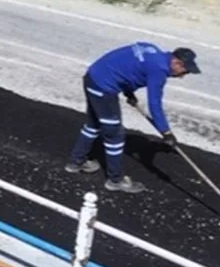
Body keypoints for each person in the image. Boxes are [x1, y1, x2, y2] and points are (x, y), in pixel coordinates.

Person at [65, 43, 199, 194]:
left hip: (92, 77)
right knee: (115, 135)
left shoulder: (151, 49)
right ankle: (115, 180)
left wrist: (129, 93)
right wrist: (166, 132)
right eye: (184, 71)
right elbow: (155, 104)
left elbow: (129, 68)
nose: (182, 76)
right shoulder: (159, 71)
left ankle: (75, 163)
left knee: (93, 125)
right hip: (103, 88)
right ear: (177, 63)